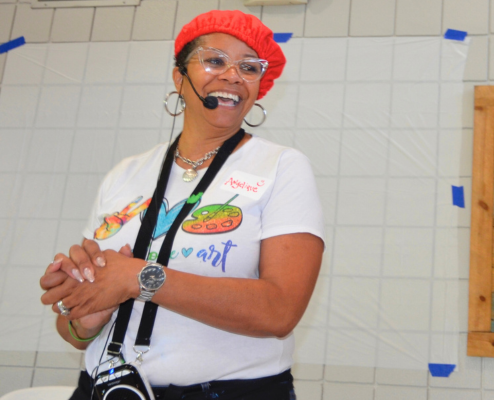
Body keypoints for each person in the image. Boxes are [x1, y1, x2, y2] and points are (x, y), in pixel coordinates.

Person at [39, 10, 324, 400]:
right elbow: (72, 328)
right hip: (104, 389)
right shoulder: (126, 173)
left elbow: (280, 310)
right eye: (215, 60)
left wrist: (140, 278)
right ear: (179, 77)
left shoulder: (281, 167)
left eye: (249, 67)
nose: (233, 76)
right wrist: (84, 317)